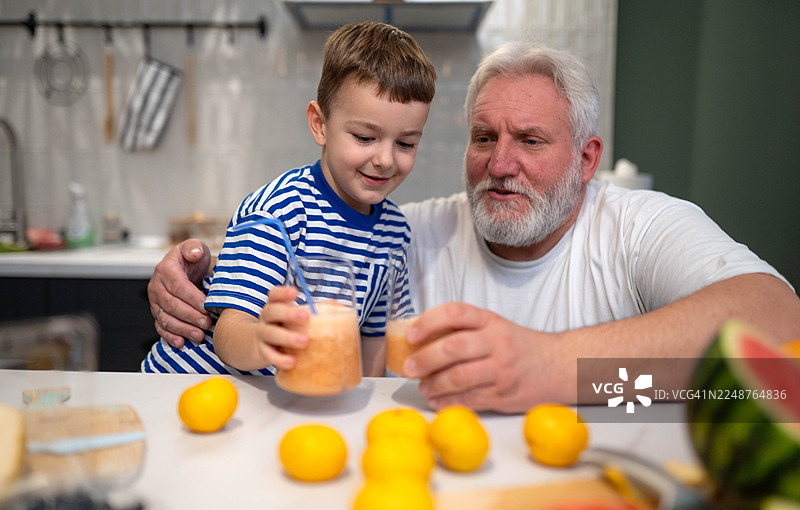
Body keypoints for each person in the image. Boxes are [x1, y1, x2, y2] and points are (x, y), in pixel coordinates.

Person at [147, 42, 800, 413]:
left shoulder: (640, 226)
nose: (501, 163)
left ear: (588, 158)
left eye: (533, 140)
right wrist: (196, 272)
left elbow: (779, 323)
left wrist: (547, 365)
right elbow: (288, 266)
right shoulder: (409, 231)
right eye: (484, 136)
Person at [142, 21, 436, 376]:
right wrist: (264, 341)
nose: (386, 160)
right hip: (186, 386)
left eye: (405, 144)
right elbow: (228, 333)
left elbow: (372, 341)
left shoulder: (394, 233)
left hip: (280, 404)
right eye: (364, 137)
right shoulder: (279, 211)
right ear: (320, 124)